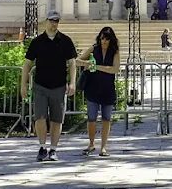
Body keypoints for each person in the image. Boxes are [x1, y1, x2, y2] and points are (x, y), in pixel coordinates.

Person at [21, 10, 78, 162]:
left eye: (57, 21)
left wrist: (72, 82)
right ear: (46, 21)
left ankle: (53, 149)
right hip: (40, 85)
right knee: (40, 117)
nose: (54, 23)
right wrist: (23, 85)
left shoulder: (65, 41)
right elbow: (27, 63)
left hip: (59, 86)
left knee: (56, 119)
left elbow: (72, 62)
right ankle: (42, 146)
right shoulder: (37, 42)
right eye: (52, 20)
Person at [80, 26, 121, 157]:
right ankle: (91, 144)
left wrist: (96, 66)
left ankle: (103, 147)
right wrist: (85, 63)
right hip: (93, 88)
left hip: (107, 88)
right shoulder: (94, 49)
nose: (104, 41)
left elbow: (115, 69)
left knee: (106, 118)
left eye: (107, 39)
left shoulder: (114, 51)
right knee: (91, 119)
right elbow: (77, 60)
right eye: (102, 38)